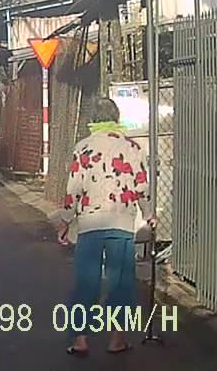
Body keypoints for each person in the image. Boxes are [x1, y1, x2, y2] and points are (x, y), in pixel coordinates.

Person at [58, 97, 153, 357]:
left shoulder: (83, 147)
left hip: (90, 224)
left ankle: (80, 340)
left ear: (94, 119)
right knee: (121, 282)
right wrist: (148, 215)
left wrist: (65, 221)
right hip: (121, 222)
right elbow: (141, 186)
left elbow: (74, 189)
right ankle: (116, 339)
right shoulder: (132, 147)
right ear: (116, 118)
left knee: (86, 281)